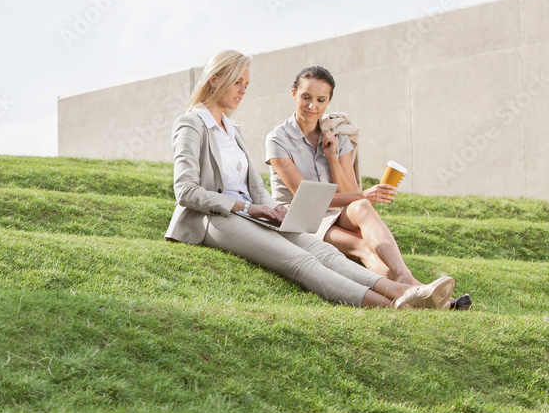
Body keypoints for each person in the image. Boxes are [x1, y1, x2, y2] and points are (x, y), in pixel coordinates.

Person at [165, 50, 454, 309]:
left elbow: (254, 188)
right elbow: (186, 190)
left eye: (246, 84)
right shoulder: (191, 124)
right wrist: (249, 208)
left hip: (255, 214)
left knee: (326, 253)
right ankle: (397, 307)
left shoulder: (232, 128)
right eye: (237, 82)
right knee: (301, 262)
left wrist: (270, 208)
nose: (242, 90)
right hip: (216, 218)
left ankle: (407, 290)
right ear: (214, 80)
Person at [265, 65, 470, 310]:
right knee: (361, 245)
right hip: (302, 216)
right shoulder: (277, 139)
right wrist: (363, 193)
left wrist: (332, 157)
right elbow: (303, 196)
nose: (312, 107)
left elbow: (350, 192)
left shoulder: (336, 135)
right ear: (294, 94)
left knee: (362, 206)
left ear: (329, 100)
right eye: (306, 97)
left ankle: (406, 279)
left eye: (321, 100)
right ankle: (423, 293)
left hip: (336, 211)